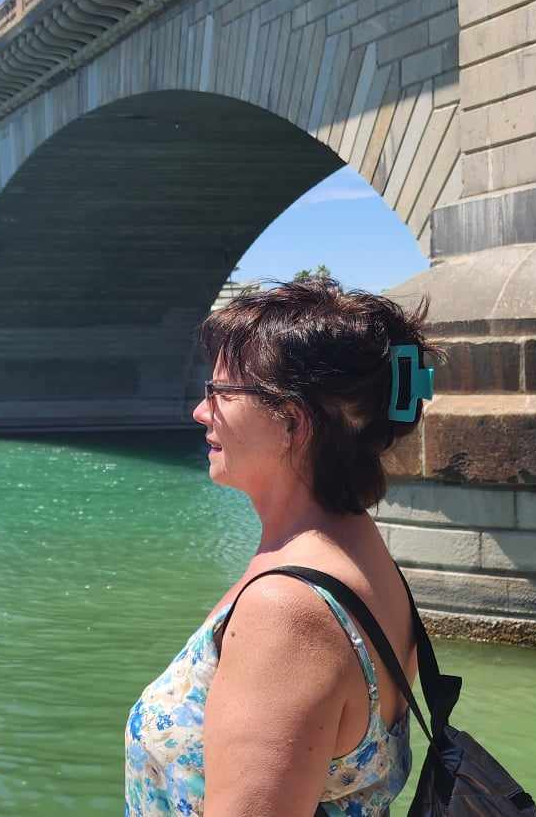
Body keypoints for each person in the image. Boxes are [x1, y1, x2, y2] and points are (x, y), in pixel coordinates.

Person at [125, 276, 439, 816]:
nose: (202, 412)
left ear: (291, 422)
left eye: (220, 394)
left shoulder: (288, 613)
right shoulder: (359, 556)